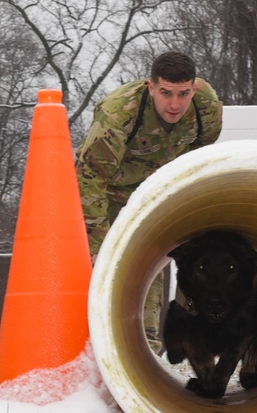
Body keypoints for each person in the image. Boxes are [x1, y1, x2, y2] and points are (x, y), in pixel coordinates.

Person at [75, 50, 223, 347]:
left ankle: (147, 346)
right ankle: (99, 347)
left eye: (183, 94)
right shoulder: (118, 114)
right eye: (166, 93)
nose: (174, 104)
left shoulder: (206, 107)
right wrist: (96, 246)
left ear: (193, 89)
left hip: (155, 188)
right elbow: (90, 180)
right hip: (109, 191)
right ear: (151, 87)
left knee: (150, 258)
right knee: (110, 268)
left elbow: (202, 152)